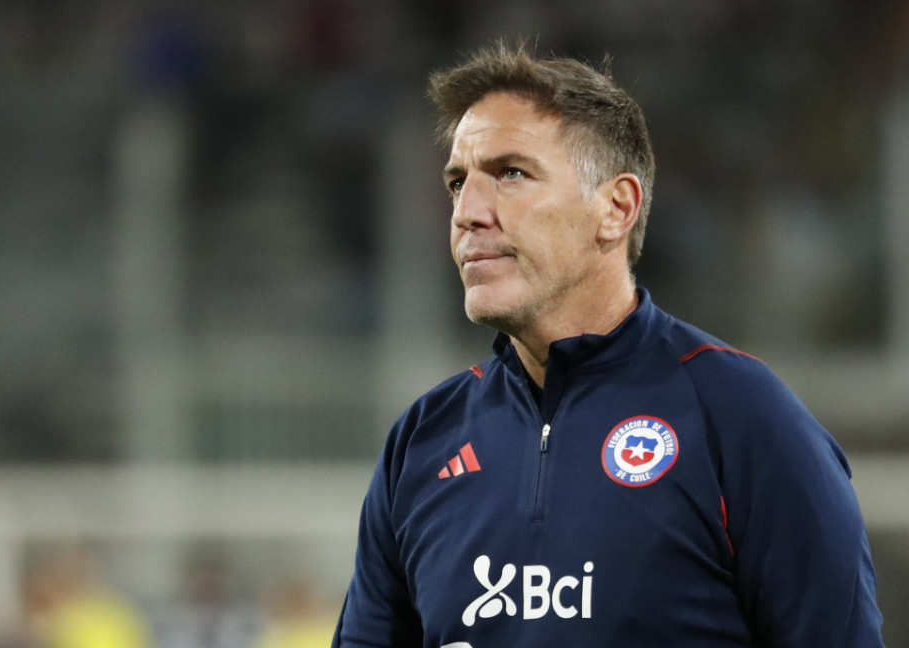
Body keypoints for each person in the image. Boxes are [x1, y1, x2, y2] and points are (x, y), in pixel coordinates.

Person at [332, 42, 884, 647]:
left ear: (616, 208)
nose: (467, 212)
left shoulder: (742, 419)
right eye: (458, 182)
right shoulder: (422, 441)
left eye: (510, 174)